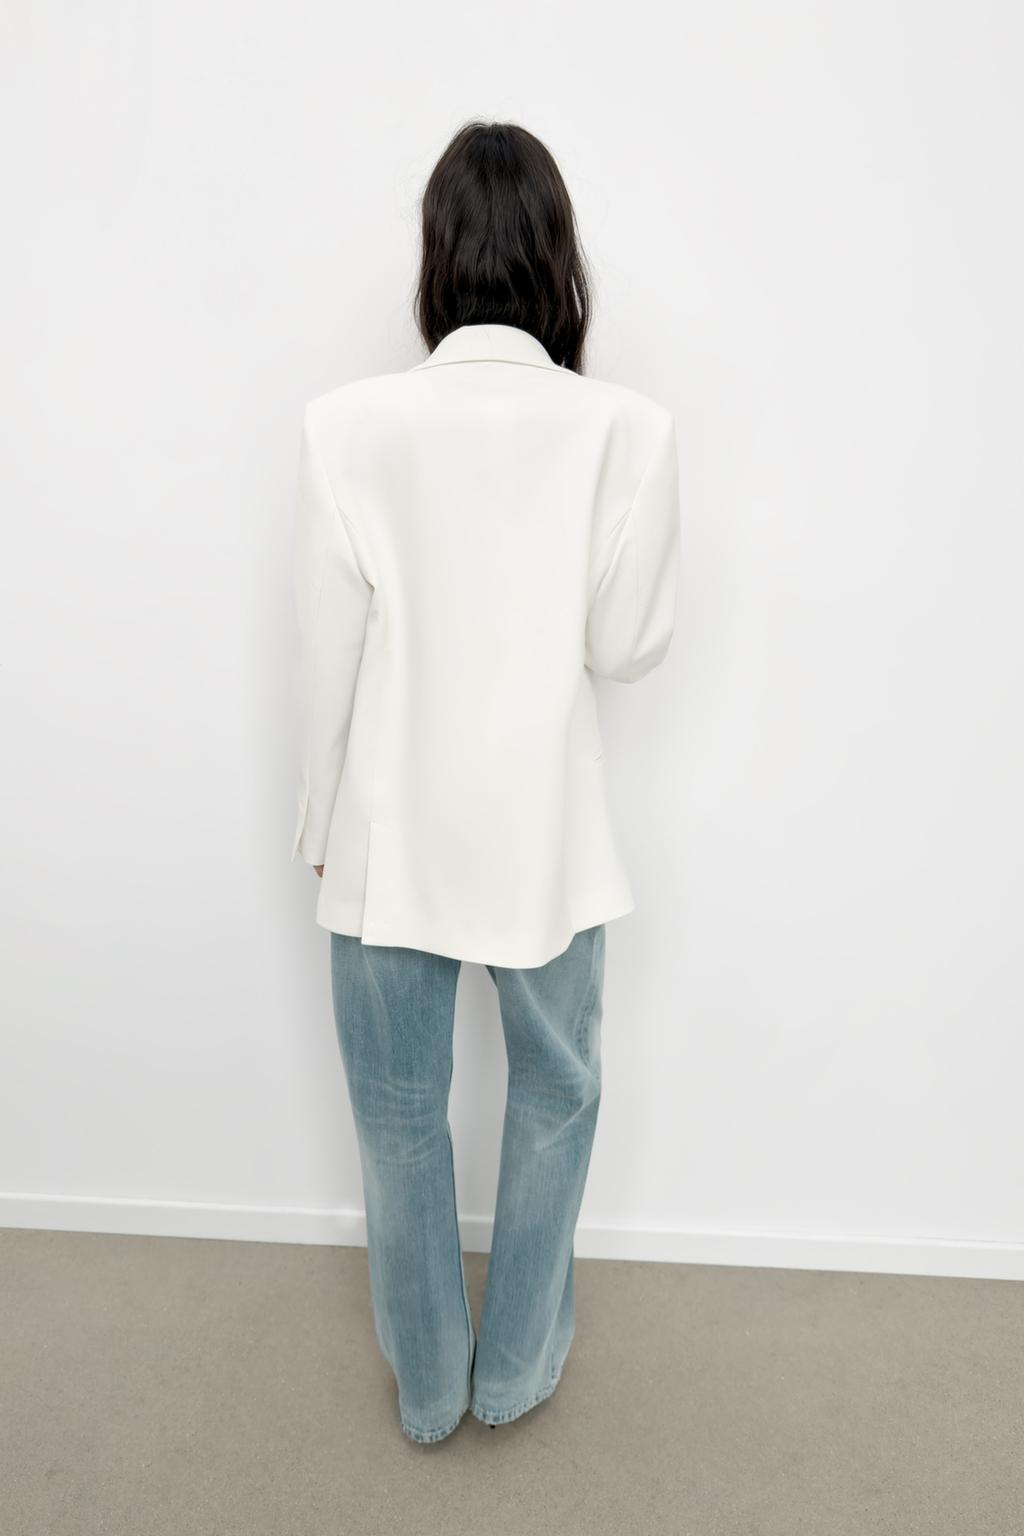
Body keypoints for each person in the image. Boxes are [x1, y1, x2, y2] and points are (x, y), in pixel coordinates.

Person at [289, 119, 681, 1444]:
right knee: (556, 1093)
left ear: (438, 255)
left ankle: (429, 1384)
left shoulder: (346, 426)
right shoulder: (628, 430)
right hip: (550, 835)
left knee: (397, 1115)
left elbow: (328, 651)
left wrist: (318, 815)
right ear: (559, 259)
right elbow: (626, 647)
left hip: (386, 827)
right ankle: (513, 1368)